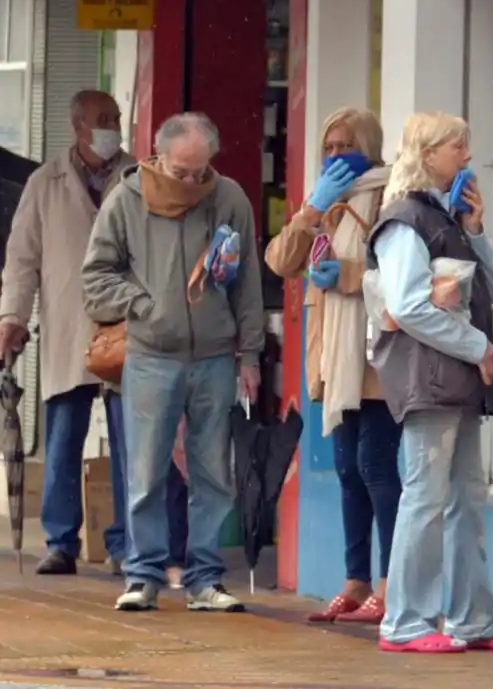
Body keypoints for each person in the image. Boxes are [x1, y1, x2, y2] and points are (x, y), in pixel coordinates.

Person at [82, 112, 265, 613]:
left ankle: (205, 578)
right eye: (181, 172)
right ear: (159, 156)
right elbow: (95, 275)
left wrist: (249, 354)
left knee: (213, 474)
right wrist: (142, 305)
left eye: (200, 172)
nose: (191, 182)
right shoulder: (127, 199)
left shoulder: (229, 198)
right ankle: (143, 575)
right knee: (146, 471)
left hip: (214, 357)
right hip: (150, 356)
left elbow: (248, 281)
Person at [368, 111, 493, 654]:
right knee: (426, 497)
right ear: (428, 154)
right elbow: (409, 305)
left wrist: (477, 230)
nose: (467, 154)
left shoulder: (448, 218)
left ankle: (473, 619)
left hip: (457, 378)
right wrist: (477, 347)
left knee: (466, 497)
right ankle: (406, 621)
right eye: (457, 145)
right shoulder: (403, 221)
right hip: (430, 376)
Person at [265, 107, 399, 625]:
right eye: (330, 147)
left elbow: (402, 274)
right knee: (347, 469)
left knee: (377, 468)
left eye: (347, 145)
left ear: (369, 142)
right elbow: (280, 261)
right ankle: (354, 579)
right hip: (332, 357)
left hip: (373, 355)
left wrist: (343, 274)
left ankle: (390, 584)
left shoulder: (392, 195)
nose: (337, 155)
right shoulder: (326, 201)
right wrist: (310, 209)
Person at [0, 90, 137, 576]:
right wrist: (11, 319)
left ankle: (126, 545)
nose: (113, 126)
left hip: (126, 326)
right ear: (78, 126)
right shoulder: (45, 183)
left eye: (116, 118)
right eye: (103, 119)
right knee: (61, 439)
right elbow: (21, 259)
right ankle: (60, 542)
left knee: (129, 442)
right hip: (69, 328)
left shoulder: (141, 177)